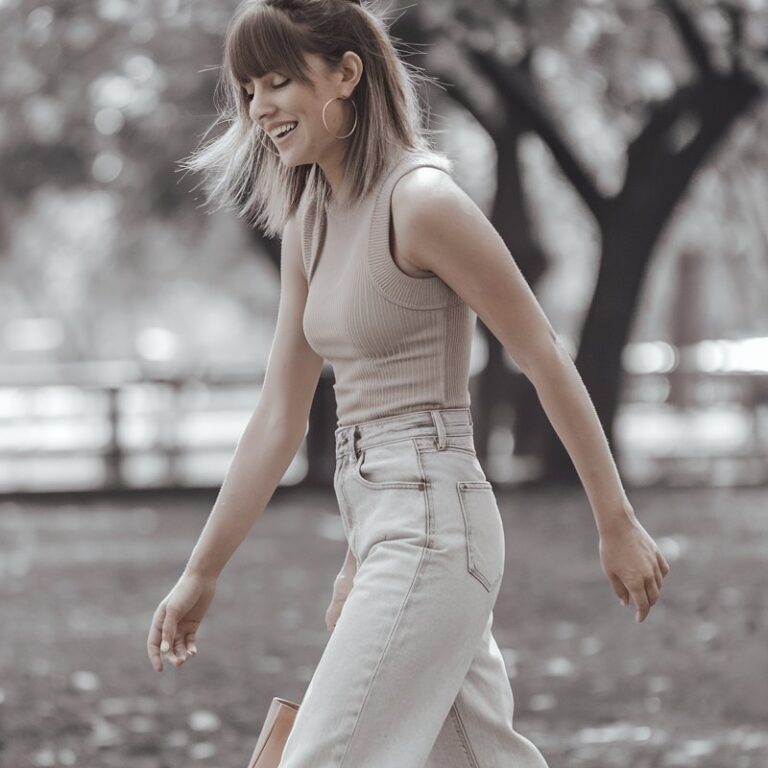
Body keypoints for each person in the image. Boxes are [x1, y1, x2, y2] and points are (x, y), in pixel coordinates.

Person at [146, 1, 671, 766]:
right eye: (250, 87)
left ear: (346, 74)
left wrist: (616, 521)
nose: (259, 108)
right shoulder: (309, 216)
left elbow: (542, 355)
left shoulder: (422, 202)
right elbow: (278, 416)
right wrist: (202, 571)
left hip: (433, 520)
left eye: (280, 81)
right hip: (380, 518)